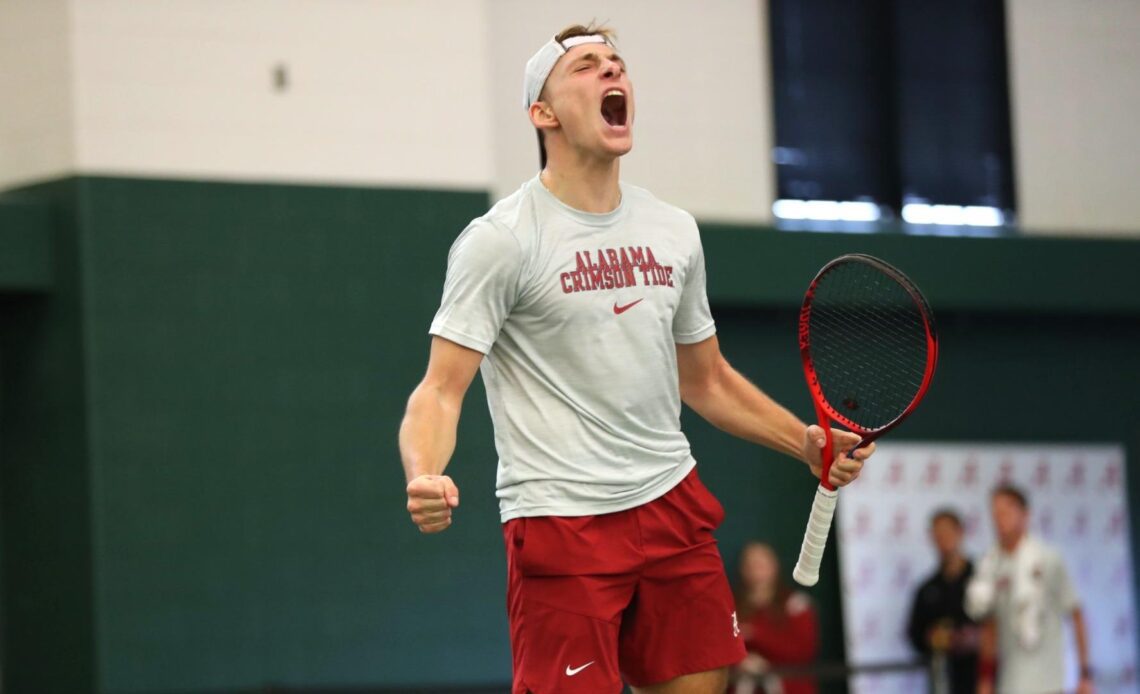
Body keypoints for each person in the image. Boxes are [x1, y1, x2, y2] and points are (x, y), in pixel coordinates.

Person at [398, 23, 872, 694]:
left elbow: (704, 379)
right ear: (544, 112)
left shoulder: (672, 231)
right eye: (587, 66)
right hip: (561, 519)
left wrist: (802, 441)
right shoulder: (500, 242)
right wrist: (424, 471)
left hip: (670, 504)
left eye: (616, 64)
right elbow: (440, 391)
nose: (611, 73)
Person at [964, 485, 1093, 694]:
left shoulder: (1048, 558)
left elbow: (1076, 615)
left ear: (1025, 515)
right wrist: (985, 679)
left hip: (1050, 682)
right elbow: (990, 626)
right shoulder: (989, 565)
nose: (999, 519)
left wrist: (1085, 674)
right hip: (1010, 684)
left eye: (1006, 511)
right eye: (995, 513)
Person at [906, 509, 979, 694]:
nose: (943, 539)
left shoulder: (982, 577)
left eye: (947, 532)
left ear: (960, 532)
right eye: (937, 534)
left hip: (983, 677)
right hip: (944, 679)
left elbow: (999, 624)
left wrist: (975, 637)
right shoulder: (927, 589)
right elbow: (915, 634)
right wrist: (934, 638)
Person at [731, 542, 819, 694]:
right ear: (743, 569)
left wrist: (755, 635)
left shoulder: (796, 605)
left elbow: (802, 651)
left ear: (775, 566)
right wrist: (742, 661)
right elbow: (720, 649)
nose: (756, 571)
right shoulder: (731, 607)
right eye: (751, 565)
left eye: (762, 564)